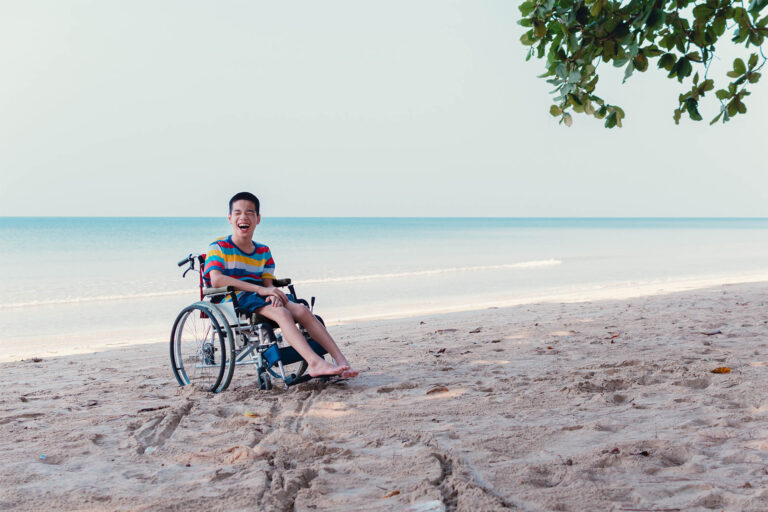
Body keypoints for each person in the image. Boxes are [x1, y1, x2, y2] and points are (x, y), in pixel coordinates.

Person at [203, 192, 358, 379]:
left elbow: (268, 282)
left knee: (302, 310)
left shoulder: (263, 250)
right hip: (233, 298)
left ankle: (342, 362)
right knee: (282, 313)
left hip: (260, 296)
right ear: (230, 218)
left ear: (258, 219)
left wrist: (270, 293)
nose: (243, 217)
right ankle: (314, 362)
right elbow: (217, 279)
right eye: (237, 213)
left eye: (249, 212)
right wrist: (261, 289)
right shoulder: (218, 247)